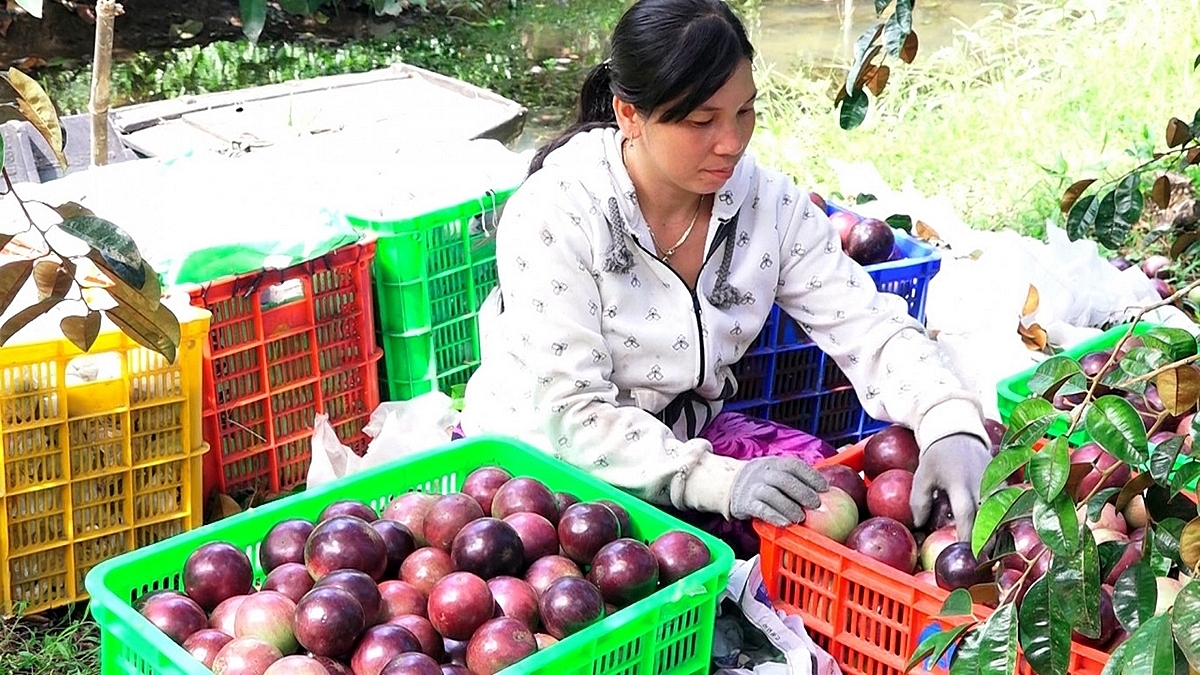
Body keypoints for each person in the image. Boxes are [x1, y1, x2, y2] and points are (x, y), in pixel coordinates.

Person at [458, 0, 991, 555]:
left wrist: (947, 418)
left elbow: (867, 324)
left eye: (745, 112)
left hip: (686, 446)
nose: (732, 142)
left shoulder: (767, 208)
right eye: (700, 121)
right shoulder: (559, 212)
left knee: (827, 501)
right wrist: (723, 483)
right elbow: (569, 415)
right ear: (628, 114)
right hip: (541, 473)